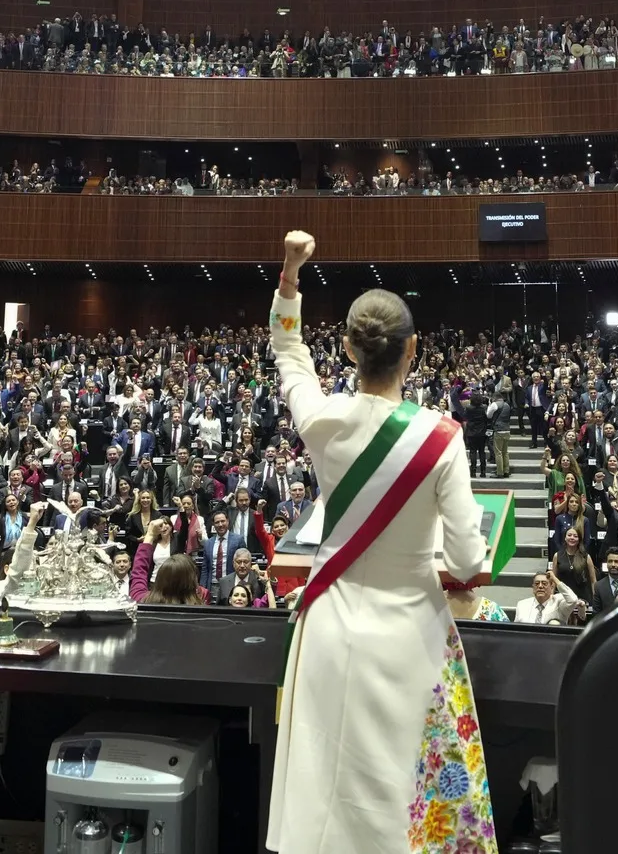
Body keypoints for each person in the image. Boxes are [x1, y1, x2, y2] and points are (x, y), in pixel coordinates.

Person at [265, 231, 494, 854]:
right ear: (412, 351)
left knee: (325, 804)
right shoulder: (441, 440)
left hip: (330, 631)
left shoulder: (322, 420)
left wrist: (290, 273)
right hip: (410, 636)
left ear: (347, 349)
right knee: (402, 809)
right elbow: (471, 560)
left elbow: (288, 351)